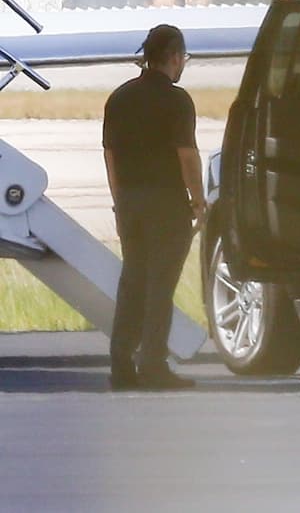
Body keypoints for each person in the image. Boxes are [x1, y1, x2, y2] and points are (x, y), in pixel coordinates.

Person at [102, 24, 205, 390]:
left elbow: (110, 156)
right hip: (167, 204)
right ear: (175, 56)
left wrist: (119, 202)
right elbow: (187, 156)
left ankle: (121, 363)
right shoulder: (177, 101)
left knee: (132, 281)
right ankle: (153, 364)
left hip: (129, 201)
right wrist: (198, 199)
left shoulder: (119, 98)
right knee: (160, 285)